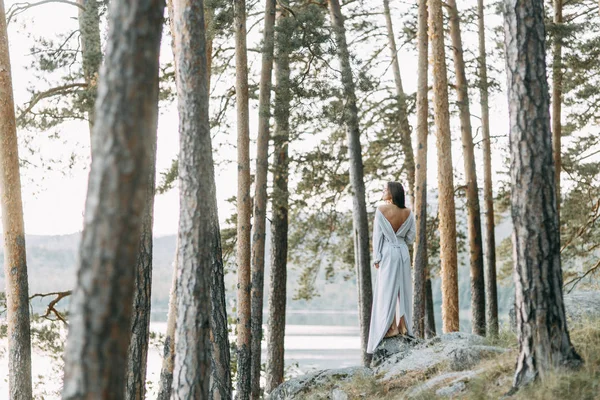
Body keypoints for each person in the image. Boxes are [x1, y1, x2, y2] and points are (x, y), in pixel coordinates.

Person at [366, 181, 416, 354]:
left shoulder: (381, 210)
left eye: (385, 189)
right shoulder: (408, 212)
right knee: (403, 289)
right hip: (402, 252)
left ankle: (389, 327)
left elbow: (377, 236)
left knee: (386, 290)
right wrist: (400, 239)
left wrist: (377, 257)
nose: (383, 191)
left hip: (387, 252)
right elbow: (411, 238)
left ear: (392, 193)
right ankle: (403, 326)